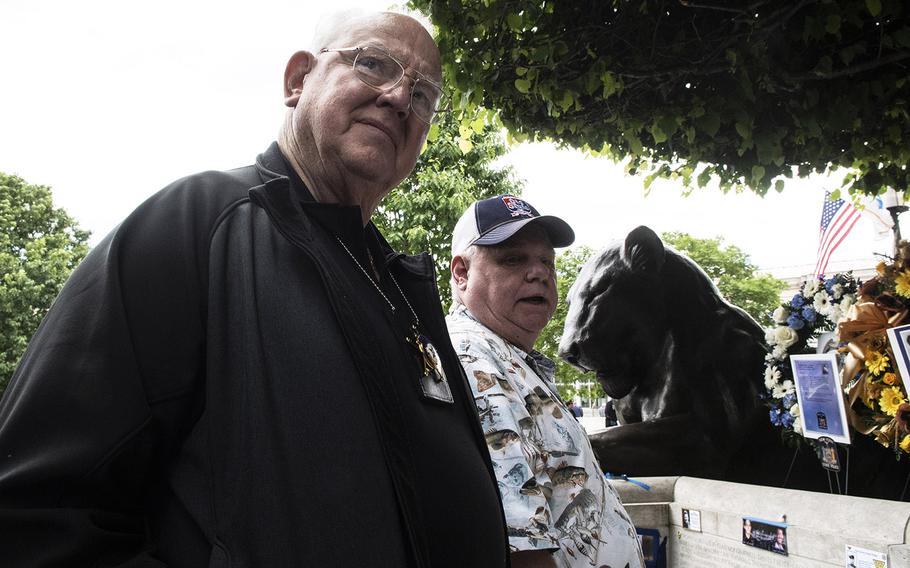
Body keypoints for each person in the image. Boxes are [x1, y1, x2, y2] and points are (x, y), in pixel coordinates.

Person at [0, 11, 509, 567]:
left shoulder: (396, 284)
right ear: (298, 81)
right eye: (373, 63)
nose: (398, 97)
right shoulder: (196, 222)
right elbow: (37, 511)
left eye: (423, 94)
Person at [446, 195, 645, 568]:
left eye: (546, 262)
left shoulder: (507, 357)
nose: (539, 273)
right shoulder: (472, 358)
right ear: (461, 273)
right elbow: (521, 545)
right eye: (512, 258)